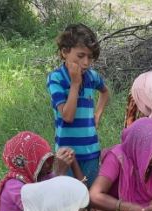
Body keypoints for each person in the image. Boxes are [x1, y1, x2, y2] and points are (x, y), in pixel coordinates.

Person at [47, 23, 110, 186]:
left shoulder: (92, 77)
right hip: (66, 155)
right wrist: (75, 84)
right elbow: (67, 116)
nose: (86, 62)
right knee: (69, 198)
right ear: (64, 52)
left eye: (90, 57)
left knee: (88, 196)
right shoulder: (56, 79)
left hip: (91, 152)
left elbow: (105, 92)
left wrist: (98, 114)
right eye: (80, 56)